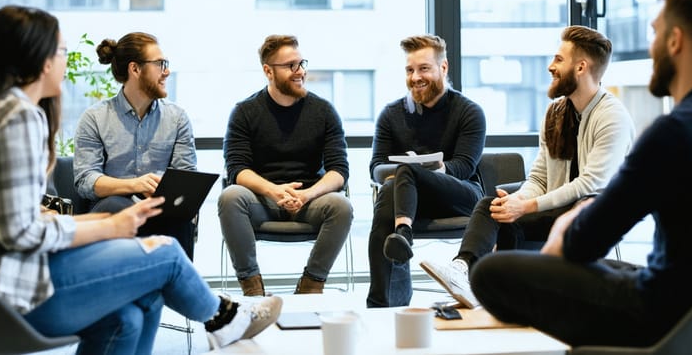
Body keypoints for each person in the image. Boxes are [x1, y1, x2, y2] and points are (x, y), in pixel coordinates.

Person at [0, 6, 282, 354]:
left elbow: (11, 220)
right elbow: (20, 232)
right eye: (61, 51)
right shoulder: (17, 118)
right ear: (41, 60)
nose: (65, 59)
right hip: (7, 291)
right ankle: (224, 318)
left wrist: (100, 222)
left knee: (130, 313)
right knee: (165, 253)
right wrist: (109, 226)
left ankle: (224, 316)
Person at [470, 0, 692, 347]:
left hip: (670, 320)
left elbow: (580, 244)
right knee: (605, 268)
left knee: (493, 273)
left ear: (675, 41)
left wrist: (566, 226)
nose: (651, 46)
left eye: (655, 32)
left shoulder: (679, 131)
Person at [420, 26, 635, 308]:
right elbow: (539, 177)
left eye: (559, 59)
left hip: (591, 212)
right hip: (556, 206)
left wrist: (528, 207)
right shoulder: (555, 113)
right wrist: (517, 200)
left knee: (554, 208)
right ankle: (466, 273)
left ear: (581, 67)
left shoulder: (612, 116)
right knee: (493, 206)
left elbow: (589, 184)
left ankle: (518, 297)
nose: (550, 66)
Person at [219, 34, 353, 296]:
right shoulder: (245, 112)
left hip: (309, 200)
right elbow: (237, 169)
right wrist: (274, 191)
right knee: (230, 196)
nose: (299, 71)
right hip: (263, 201)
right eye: (290, 66)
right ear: (268, 71)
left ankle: (311, 285)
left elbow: (339, 172)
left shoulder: (323, 111)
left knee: (342, 206)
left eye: (301, 63)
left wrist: (306, 195)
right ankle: (253, 289)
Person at [367, 34, 486, 308]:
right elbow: (375, 168)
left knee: (404, 175)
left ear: (443, 68)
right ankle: (388, 301)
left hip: (459, 196)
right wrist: (410, 172)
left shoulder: (469, 112)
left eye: (424, 69)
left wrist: (426, 170)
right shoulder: (391, 115)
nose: (415, 77)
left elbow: (464, 166)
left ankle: (380, 302)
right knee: (390, 189)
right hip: (405, 204)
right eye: (410, 70)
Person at [74, 32, 199, 259]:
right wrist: (134, 185)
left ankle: (181, 292)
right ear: (135, 69)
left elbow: (186, 177)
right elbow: (86, 180)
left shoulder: (177, 118)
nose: (167, 71)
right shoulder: (94, 118)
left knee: (179, 215)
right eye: (160, 64)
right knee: (116, 205)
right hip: (112, 210)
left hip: (160, 208)